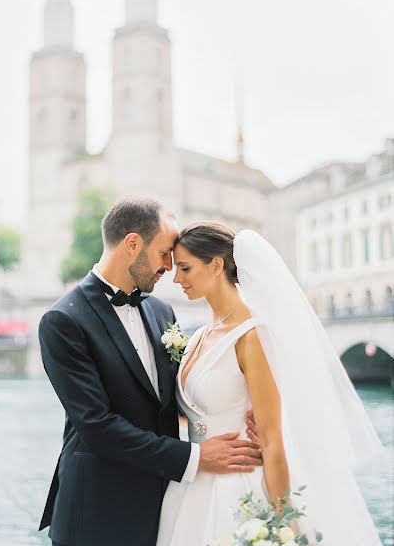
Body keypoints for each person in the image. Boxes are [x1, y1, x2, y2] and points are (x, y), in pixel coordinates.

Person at [38, 197, 262, 546]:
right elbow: (97, 425)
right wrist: (196, 456)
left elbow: (180, 398)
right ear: (132, 244)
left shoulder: (161, 312)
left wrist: (249, 421)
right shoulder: (63, 321)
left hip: (166, 505)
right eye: (163, 253)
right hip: (97, 512)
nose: (169, 267)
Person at [157, 222, 385, 546]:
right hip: (193, 484)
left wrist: (280, 526)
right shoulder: (197, 337)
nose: (176, 278)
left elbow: (273, 443)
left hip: (239, 489)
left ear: (216, 265)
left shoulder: (253, 337)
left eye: (185, 268)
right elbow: (194, 413)